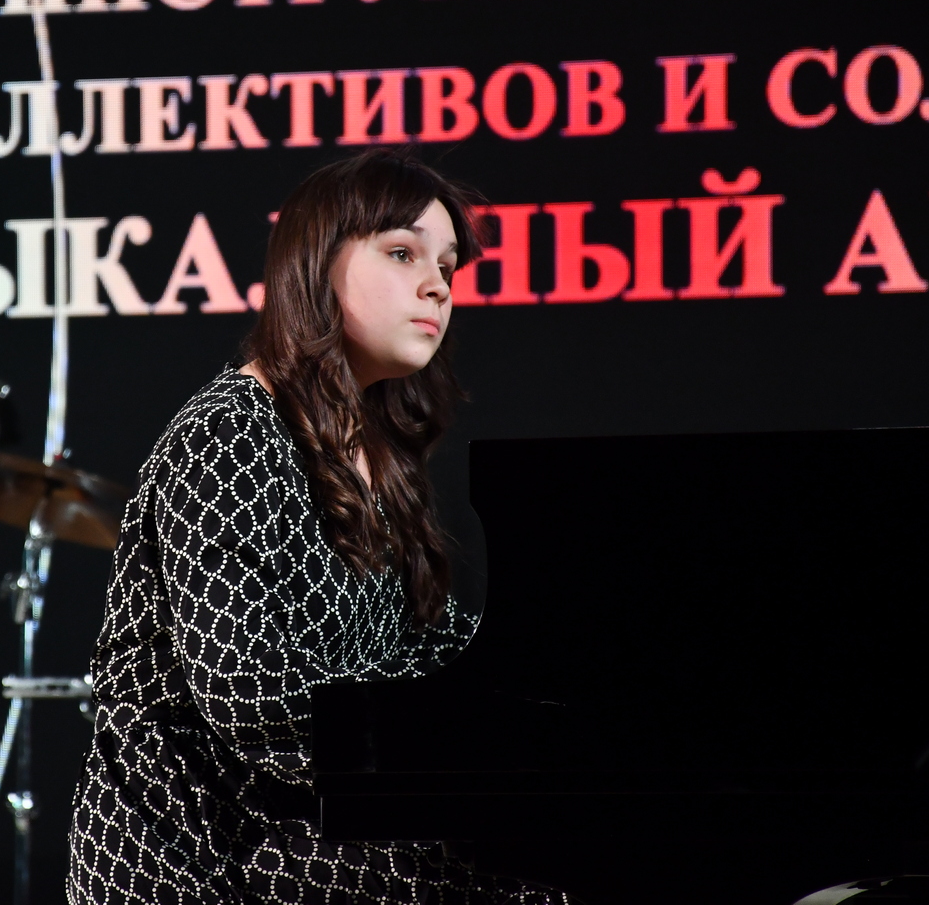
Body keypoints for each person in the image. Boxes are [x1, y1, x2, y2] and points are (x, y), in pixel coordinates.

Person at [67, 149, 565, 905]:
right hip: (200, 857)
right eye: (403, 253)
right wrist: (447, 747)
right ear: (316, 264)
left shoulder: (370, 448)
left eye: (448, 267)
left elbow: (417, 645)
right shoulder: (229, 435)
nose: (438, 285)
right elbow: (249, 694)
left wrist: (540, 693)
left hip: (307, 825)